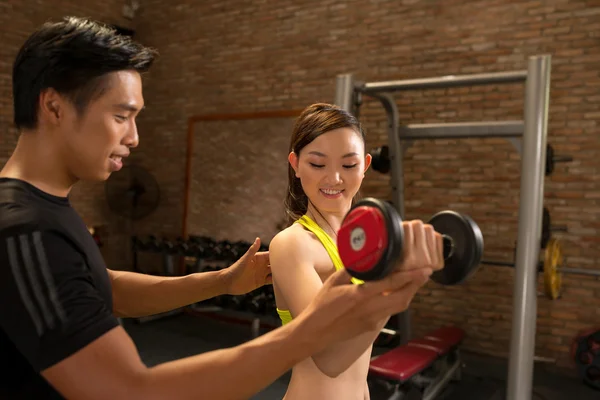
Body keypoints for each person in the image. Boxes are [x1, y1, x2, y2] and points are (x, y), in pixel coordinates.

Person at [0, 16, 442, 400]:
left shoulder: (48, 211)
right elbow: (130, 390)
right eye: (121, 116)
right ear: (54, 106)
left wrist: (223, 281)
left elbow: (104, 287)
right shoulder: (23, 230)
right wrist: (338, 317)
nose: (134, 137)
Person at [270, 103, 443, 400]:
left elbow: (356, 361)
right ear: (295, 164)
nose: (335, 178)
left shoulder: (362, 244)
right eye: (317, 164)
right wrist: (396, 289)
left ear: (364, 166)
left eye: (348, 166)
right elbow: (329, 359)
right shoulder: (292, 245)